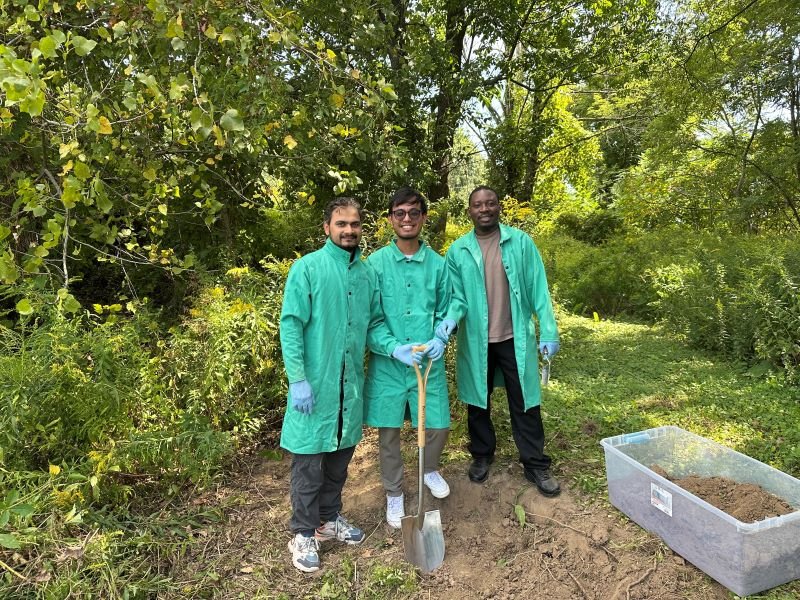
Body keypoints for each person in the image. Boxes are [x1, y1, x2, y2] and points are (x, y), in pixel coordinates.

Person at [279, 197, 421, 573]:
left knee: (340, 461)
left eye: (355, 224)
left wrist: (396, 349)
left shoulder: (366, 275)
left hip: (349, 388)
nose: (348, 230)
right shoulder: (307, 269)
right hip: (316, 387)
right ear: (326, 227)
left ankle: (327, 520)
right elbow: (290, 324)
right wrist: (297, 379)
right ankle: (304, 532)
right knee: (309, 463)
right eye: (341, 224)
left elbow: (374, 325)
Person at [436, 186, 561, 496]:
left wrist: (548, 330)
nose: (484, 209)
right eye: (478, 205)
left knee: (526, 401)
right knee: (478, 401)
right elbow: (456, 297)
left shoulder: (520, 243)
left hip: (513, 337)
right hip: (476, 340)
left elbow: (538, 289)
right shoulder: (458, 251)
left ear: (499, 207)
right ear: (469, 211)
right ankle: (481, 456)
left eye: (490, 203)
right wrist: (450, 319)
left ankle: (535, 464)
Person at [364, 187, 452, 529]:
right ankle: (394, 493)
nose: (406, 219)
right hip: (389, 364)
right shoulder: (375, 265)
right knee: (388, 434)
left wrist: (441, 334)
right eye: (399, 213)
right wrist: (392, 347)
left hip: (428, 362)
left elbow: (449, 306)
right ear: (390, 219)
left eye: (413, 213)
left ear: (423, 218)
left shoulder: (439, 265)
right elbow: (370, 320)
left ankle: (428, 467)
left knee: (438, 424)